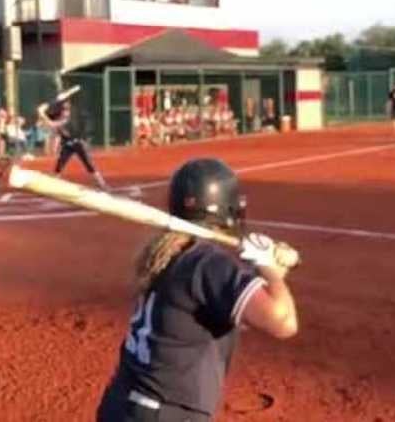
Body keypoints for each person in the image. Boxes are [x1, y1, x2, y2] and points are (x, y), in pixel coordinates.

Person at [96, 158, 298, 422]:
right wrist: (270, 269)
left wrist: (267, 270)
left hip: (122, 404)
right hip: (166, 414)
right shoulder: (206, 263)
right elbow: (283, 322)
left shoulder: (169, 253)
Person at [38, 95, 108, 189]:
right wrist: (42, 112)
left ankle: (101, 183)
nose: (65, 112)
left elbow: (52, 124)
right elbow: (46, 123)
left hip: (78, 143)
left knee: (88, 163)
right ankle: (54, 182)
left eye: (66, 110)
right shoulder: (58, 115)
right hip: (67, 145)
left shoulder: (68, 119)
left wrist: (42, 113)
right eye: (63, 110)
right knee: (60, 164)